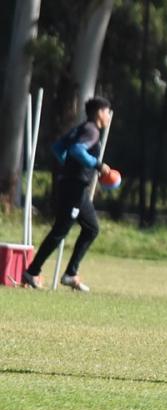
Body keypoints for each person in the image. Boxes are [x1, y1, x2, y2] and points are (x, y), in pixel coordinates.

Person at [21, 97, 113, 292]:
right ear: (99, 113)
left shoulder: (81, 128)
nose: (108, 116)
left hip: (76, 187)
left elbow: (58, 148)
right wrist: (97, 165)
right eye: (107, 111)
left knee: (91, 229)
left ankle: (70, 273)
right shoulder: (92, 131)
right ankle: (32, 271)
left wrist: (69, 166)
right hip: (74, 187)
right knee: (60, 230)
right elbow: (77, 149)